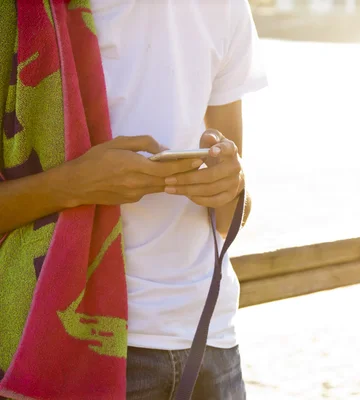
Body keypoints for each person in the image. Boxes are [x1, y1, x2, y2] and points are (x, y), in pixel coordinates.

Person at [0, 0, 267, 399]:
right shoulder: (19, 14)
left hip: (209, 337)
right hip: (72, 346)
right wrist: (74, 185)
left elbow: (231, 212)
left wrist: (230, 185)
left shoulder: (222, 6)